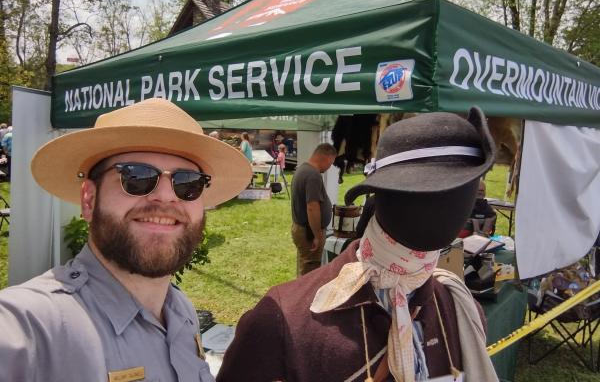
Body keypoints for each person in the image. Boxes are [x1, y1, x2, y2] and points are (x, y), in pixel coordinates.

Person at [218, 109, 498, 382]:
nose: (445, 207)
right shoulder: (282, 320)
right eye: (430, 191)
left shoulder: (461, 311)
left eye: (459, 189)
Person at [0, 98, 252, 382]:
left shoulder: (180, 312)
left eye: (187, 183)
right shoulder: (31, 328)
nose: (166, 196)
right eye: (137, 177)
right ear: (89, 199)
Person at [290, 143, 337, 276]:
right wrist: (317, 235)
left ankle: (299, 294)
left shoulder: (303, 169)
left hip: (302, 229)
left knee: (305, 267)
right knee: (309, 272)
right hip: (308, 233)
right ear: (327, 158)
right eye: (331, 162)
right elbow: (312, 207)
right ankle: (304, 297)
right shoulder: (313, 175)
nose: (329, 166)